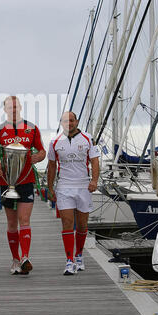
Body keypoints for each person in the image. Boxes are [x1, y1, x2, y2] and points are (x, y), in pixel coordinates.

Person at [0, 96, 46, 275]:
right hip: (6, 182)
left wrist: (38, 157)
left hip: (27, 180)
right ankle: (15, 259)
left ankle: (25, 257)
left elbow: (42, 151)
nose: (13, 110)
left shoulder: (31, 128)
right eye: (9, 107)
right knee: (11, 222)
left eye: (15, 107)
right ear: (5, 109)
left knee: (24, 219)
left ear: (20, 108)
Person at [47, 111, 100, 275]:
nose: (68, 123)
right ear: (61, 123)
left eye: (71, 120)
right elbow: (52, 166)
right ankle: (69, 261)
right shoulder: (55, 141)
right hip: (64, 186)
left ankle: (79, 255)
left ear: (76, 121)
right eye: (65, 121)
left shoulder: (88, 139)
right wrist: (50, 187)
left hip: (83, 185)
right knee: (67, 223)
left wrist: (94, 180)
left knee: (82, 225)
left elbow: (95, 161)